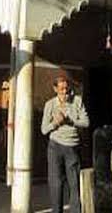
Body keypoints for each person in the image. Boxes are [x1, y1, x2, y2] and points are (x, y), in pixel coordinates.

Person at [41, 73, 89, 213]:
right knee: (56, 184)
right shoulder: (49, 104)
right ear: (55, 89)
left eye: (66, 88)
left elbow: (86, 122)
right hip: (55, 147)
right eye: (61, 89)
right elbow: (44, 129)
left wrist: (70, 121)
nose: (65, 92)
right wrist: (56, 123)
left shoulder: (77, 101)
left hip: (72, 147)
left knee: (74, 184)